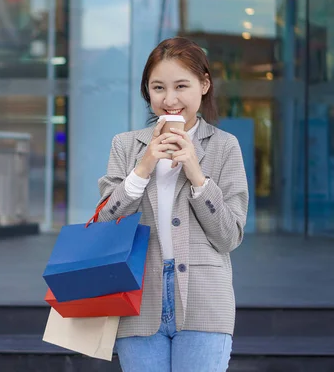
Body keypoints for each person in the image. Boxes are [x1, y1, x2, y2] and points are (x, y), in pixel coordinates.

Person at [96, 37, 249, 371]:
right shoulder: (125, 146)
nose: (170, 99)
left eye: (181, 85)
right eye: (158, 88)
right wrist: (143, 167)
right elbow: (104, 223)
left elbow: (229, 237)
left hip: (204, 299)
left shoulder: (225, 147)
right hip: (137, 297)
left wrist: (197, 175)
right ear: (147, 92)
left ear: (204, 84)